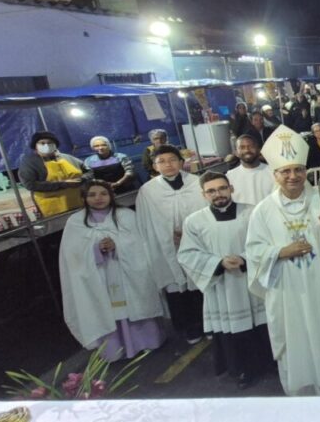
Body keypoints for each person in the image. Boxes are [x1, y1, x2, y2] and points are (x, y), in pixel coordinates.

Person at [245, 125, 320, 396]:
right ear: (276, 175)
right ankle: (304, 384)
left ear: (305, 172)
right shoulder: (263, 211)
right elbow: (254, 251)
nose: (293, 176)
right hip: (288, 289)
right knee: (297, 336)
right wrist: (282, 252)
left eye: (298, 170)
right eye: (286, 171)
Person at [178, 172, 272, 389]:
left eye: (221, 188)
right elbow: (187, 254)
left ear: (231, 188)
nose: (217, 194)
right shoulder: (194, 221)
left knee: (263, 324)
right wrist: (218, 263)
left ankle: (269, 363)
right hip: (222, 286)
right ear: (204, 195)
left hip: (252, 280)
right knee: (234, 329)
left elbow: (268, 242)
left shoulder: (253, 212)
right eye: (211, 191)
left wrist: (245, 259)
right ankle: (242, 370)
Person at [59, 180, 164, 362]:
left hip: (126, 272)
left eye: (103, 194)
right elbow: (71, 255)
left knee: (135, 305)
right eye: (92, 195)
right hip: (99, 276)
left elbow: (141, 243)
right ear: (83, 198)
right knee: (104, 311)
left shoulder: (127, 215)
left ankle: (146, 341)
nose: (98, 198)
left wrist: (118, 246)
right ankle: (114, 350)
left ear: (111, 196)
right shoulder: (75, 222)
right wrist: (95, 249)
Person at [135, 145, 208, 344]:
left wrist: (190, 234)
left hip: (198, 244)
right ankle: (188, 328)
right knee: (176, 289)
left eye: (172, 159)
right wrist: (168, 236)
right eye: (162, 161)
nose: (168, 164)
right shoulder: (148, 191)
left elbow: (207, 212)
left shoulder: (196, 183)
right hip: (166, 247)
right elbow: (146, 223)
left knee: (201, 286)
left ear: (181, 162)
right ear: (154, 166)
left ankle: (209, 325)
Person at [19, 131, 89, 216]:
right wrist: (63, 184)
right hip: (52, 206)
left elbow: (89, 171)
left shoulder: (67, 158)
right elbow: (30, 184)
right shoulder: (30, 162)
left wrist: (83, 179)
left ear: (55, 144)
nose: (46, 145)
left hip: (77, 202)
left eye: (50, 143)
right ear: (35, 146)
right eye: (42, 143)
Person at [226, 135, 275, 206]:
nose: (247, 150)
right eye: (242, 147)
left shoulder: (274, 172)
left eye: (251, 146)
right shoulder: (229, 177)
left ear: (259, 150)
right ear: (236, 153)